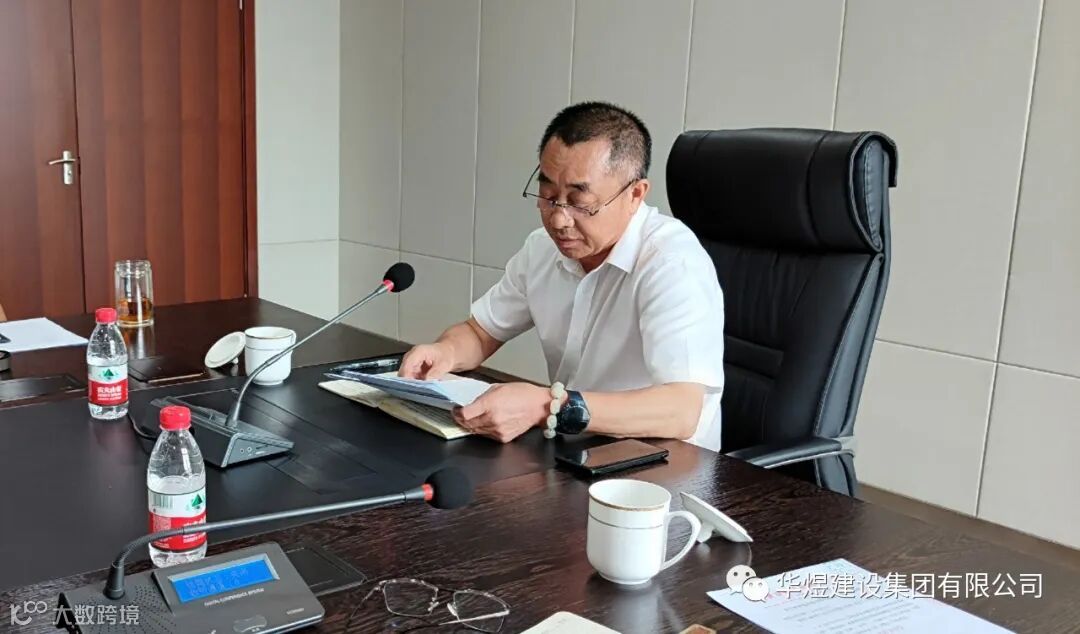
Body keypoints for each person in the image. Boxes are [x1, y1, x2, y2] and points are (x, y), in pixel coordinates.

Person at [399, 102, 725, 450]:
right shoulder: (542, 249)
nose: (558, 220)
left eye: (580, 202)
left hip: (666, 462)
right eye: (549, 196)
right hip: (577, 447)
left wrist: (547, 406)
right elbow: (481, 332)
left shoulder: (672, 263)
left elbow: (682, 411)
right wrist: (446, 351)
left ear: (635, 194)